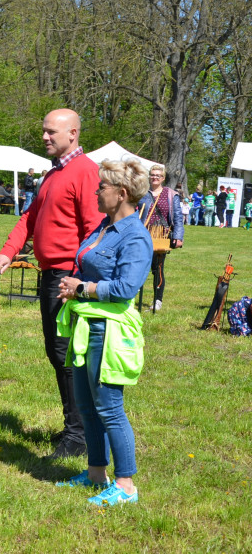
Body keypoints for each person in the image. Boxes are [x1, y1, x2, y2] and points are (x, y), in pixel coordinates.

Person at [0, 109, 102, 460]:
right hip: (50, 273)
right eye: (44, 132)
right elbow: (30, 217)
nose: (45, 137)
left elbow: (93, 231)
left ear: (73, 133)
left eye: (52, 132)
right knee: (57, 351)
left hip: (68, 276)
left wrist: (77, 278)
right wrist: (7, 253)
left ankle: (79, 434)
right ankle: (76, 426)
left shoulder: (86, 172)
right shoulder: (54, 174)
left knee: (66, 353)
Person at [54, 158, 151, 506]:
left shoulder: (136, 237)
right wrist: (75, 288)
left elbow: (126, 287)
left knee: (109, 407)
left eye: (102, 188)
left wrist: (83, 288)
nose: (96, 191)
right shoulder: (103, 226)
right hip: (87, 324)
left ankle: (125, 485)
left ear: (121, 193)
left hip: (109, 329)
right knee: (86, 404)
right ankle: (96, 473)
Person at [137, 164, 183, 312]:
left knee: (158, 269)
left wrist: (178, 236)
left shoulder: (171, 194)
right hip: (143, 234)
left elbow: (177, 217)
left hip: (161, 235)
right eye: (152, 174)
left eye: (158, 175)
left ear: (163, 178)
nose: (154, 177)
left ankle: (157, 300)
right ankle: (130, 298)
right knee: (137, 266)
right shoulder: (142, 192)